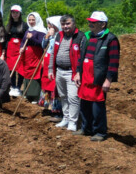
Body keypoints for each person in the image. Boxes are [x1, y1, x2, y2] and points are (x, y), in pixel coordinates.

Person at [73, 11, 120, 141]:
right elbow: (81, 58)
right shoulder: (87, 37)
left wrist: (108, 80)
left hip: (98, 78)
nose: (90, 24)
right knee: (85, 104)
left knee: (97, 106)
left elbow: (113, 62)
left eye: (93, 23)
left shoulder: (110, 39)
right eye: (90, 22)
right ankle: (86, 128)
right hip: (85, 76)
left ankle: (100, 132)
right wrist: (78, 72)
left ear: (103, 24)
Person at [47, 14, 86, 132]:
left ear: (74, 23)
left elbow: (82, 56)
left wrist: (79, 72)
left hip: (72, 72)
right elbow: (53, 52)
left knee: (73, 97)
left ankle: (73, 122)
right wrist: (50, 69)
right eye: (63, 24)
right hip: (59, 70)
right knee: (63, 96)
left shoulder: (81, 36)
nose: (65, 26)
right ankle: (66, 118)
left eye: (68, 23)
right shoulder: (59, 35)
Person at [17, 12, 47, 102]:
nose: (31, 21)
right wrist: (21, 47)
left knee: (35, 74)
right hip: (27, 56)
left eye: (33, 20)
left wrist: (32, 38)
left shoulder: (41, 30)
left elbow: (42, 43)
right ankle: (27, 94)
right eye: (29, 20)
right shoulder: (28, 30)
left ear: (37, 20)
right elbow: (23, 41)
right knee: (27, 73)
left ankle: (35, 96)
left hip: (36, 55)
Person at [39, 16, 63, 114]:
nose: (49, 26)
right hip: (47, 59)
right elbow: (44, 46)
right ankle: (47, 106)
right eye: (48, 25)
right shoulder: (49, 35)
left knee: (54, 85)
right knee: (46, 82)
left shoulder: (60, 36)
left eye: (51, 25)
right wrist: (47, 36)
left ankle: (56, 108)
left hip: (55, 62)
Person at [5, 5, 27, 97]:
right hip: (11, 48)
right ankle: (13, 86)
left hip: (20, 47)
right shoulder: (9, 24)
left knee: (20, 67)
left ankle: (18, 87)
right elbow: (6, 37)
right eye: (13, 12)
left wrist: (23, 47)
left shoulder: (24, 25)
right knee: (11, 68)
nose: (14, 14)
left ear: (20, 13)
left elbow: (26, 38)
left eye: (16, 12)